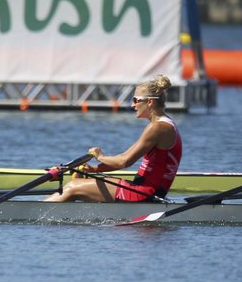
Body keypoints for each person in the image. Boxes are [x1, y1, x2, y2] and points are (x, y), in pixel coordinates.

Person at [44, 75, 182, 202]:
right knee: (81, 182)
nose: (133, 105)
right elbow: (123, 157)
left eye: (136, 100)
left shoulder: (158, 128)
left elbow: (124, 162)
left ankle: (36, 211)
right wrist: (94, 170)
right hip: (144, 189)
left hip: (146, 193)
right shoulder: (164, 124)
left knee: (73, 186)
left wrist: (100, 156)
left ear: (150, 102)